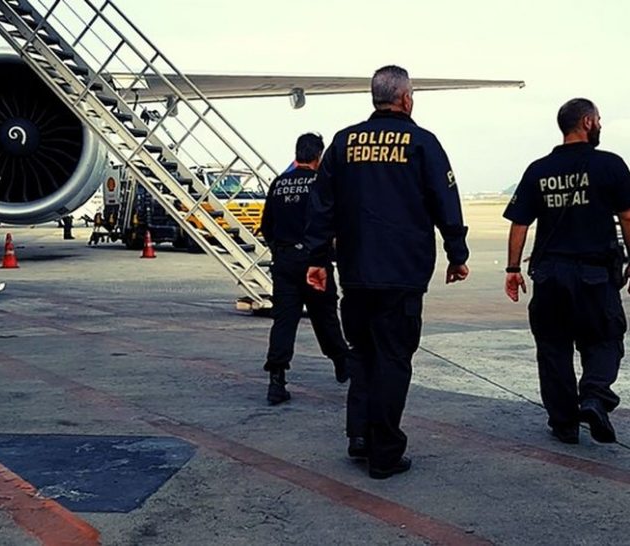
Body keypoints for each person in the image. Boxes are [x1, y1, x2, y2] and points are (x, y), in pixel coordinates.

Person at [305, 65, 469, 479]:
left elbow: (321, 206)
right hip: (402, 274)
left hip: (356, 273)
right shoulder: (422, 143)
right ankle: (385, 451)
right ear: (407, 98)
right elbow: (444, 200)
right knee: (394, 359)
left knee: (363, 355)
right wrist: (456, 251)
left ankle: (360, 436)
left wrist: (317, 260)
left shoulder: (343, 143)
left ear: (374, 97)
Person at [503, 98, 630, 445]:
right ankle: (593, 396)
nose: (601, 124)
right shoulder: (610, 165)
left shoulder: (538, 169)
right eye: (599, 119)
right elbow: (628, 216)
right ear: (588, 122)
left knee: (553, 348)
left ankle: (564, 424)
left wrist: (513, 268)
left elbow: (519, 224)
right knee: (605, 338)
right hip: (595, 274)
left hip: (550, 275)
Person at [261, 133, 350, 406]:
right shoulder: (320, 183)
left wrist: (280, 249)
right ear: (318, 156)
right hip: (315, 260)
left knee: (284, 321)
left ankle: (276, 381)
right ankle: (342, 363)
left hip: (285, 261)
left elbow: (267, 226)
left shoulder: (278, 184)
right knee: (325, 316)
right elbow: (333, 221)